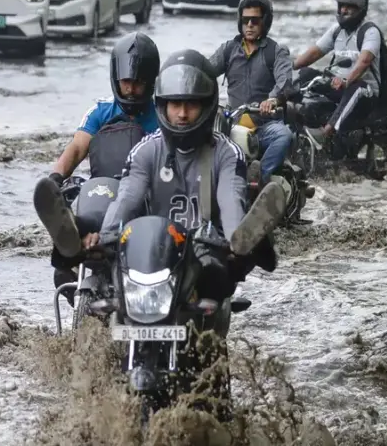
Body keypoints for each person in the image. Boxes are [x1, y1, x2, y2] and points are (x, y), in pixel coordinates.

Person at [82, 50, 282, 279]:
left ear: (207, 105)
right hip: (152, 253)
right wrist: (105, 237)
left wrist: (235, 240)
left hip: (207, 258)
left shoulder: (228, 153)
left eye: (192, 104)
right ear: (163, 106)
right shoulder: (145, 150)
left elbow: (231, 201)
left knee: (223, 275)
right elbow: (127, 198)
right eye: (175, 104)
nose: (183, 114)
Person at [41, 32, 161, 294]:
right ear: (116, 79)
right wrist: (56, 178)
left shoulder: (163, 117)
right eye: (126, 82)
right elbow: (76, 147)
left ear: (150, 82)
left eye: (138, 83)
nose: (130, 89)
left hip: (144, 198)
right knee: (64, 271)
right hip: (102, 192)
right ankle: (72, 239)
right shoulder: (100, 111)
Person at [207, 0, 294, 187]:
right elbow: (206, 71)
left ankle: (260, 178)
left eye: (255, 20)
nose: (250, 25)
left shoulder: (275, 51)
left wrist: (272, 99)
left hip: (263, 127)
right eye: (246, 20)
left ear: (265, 21)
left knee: (284, 135)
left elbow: (286, 82)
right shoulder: (228, 50)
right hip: (232, 125)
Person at [292, 0, 380, 144]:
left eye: (349, 7)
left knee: (357, 87)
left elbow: (364, 61)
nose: (344, 10)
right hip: (338, 87)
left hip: (365, 93)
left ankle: (328, 131)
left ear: (360, 9)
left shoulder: (370, 31)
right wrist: (289, 66)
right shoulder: (337, 31)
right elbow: (314, 53)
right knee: (306, 74)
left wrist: (347, 81)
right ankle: (293, 120)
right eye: (341, 6)